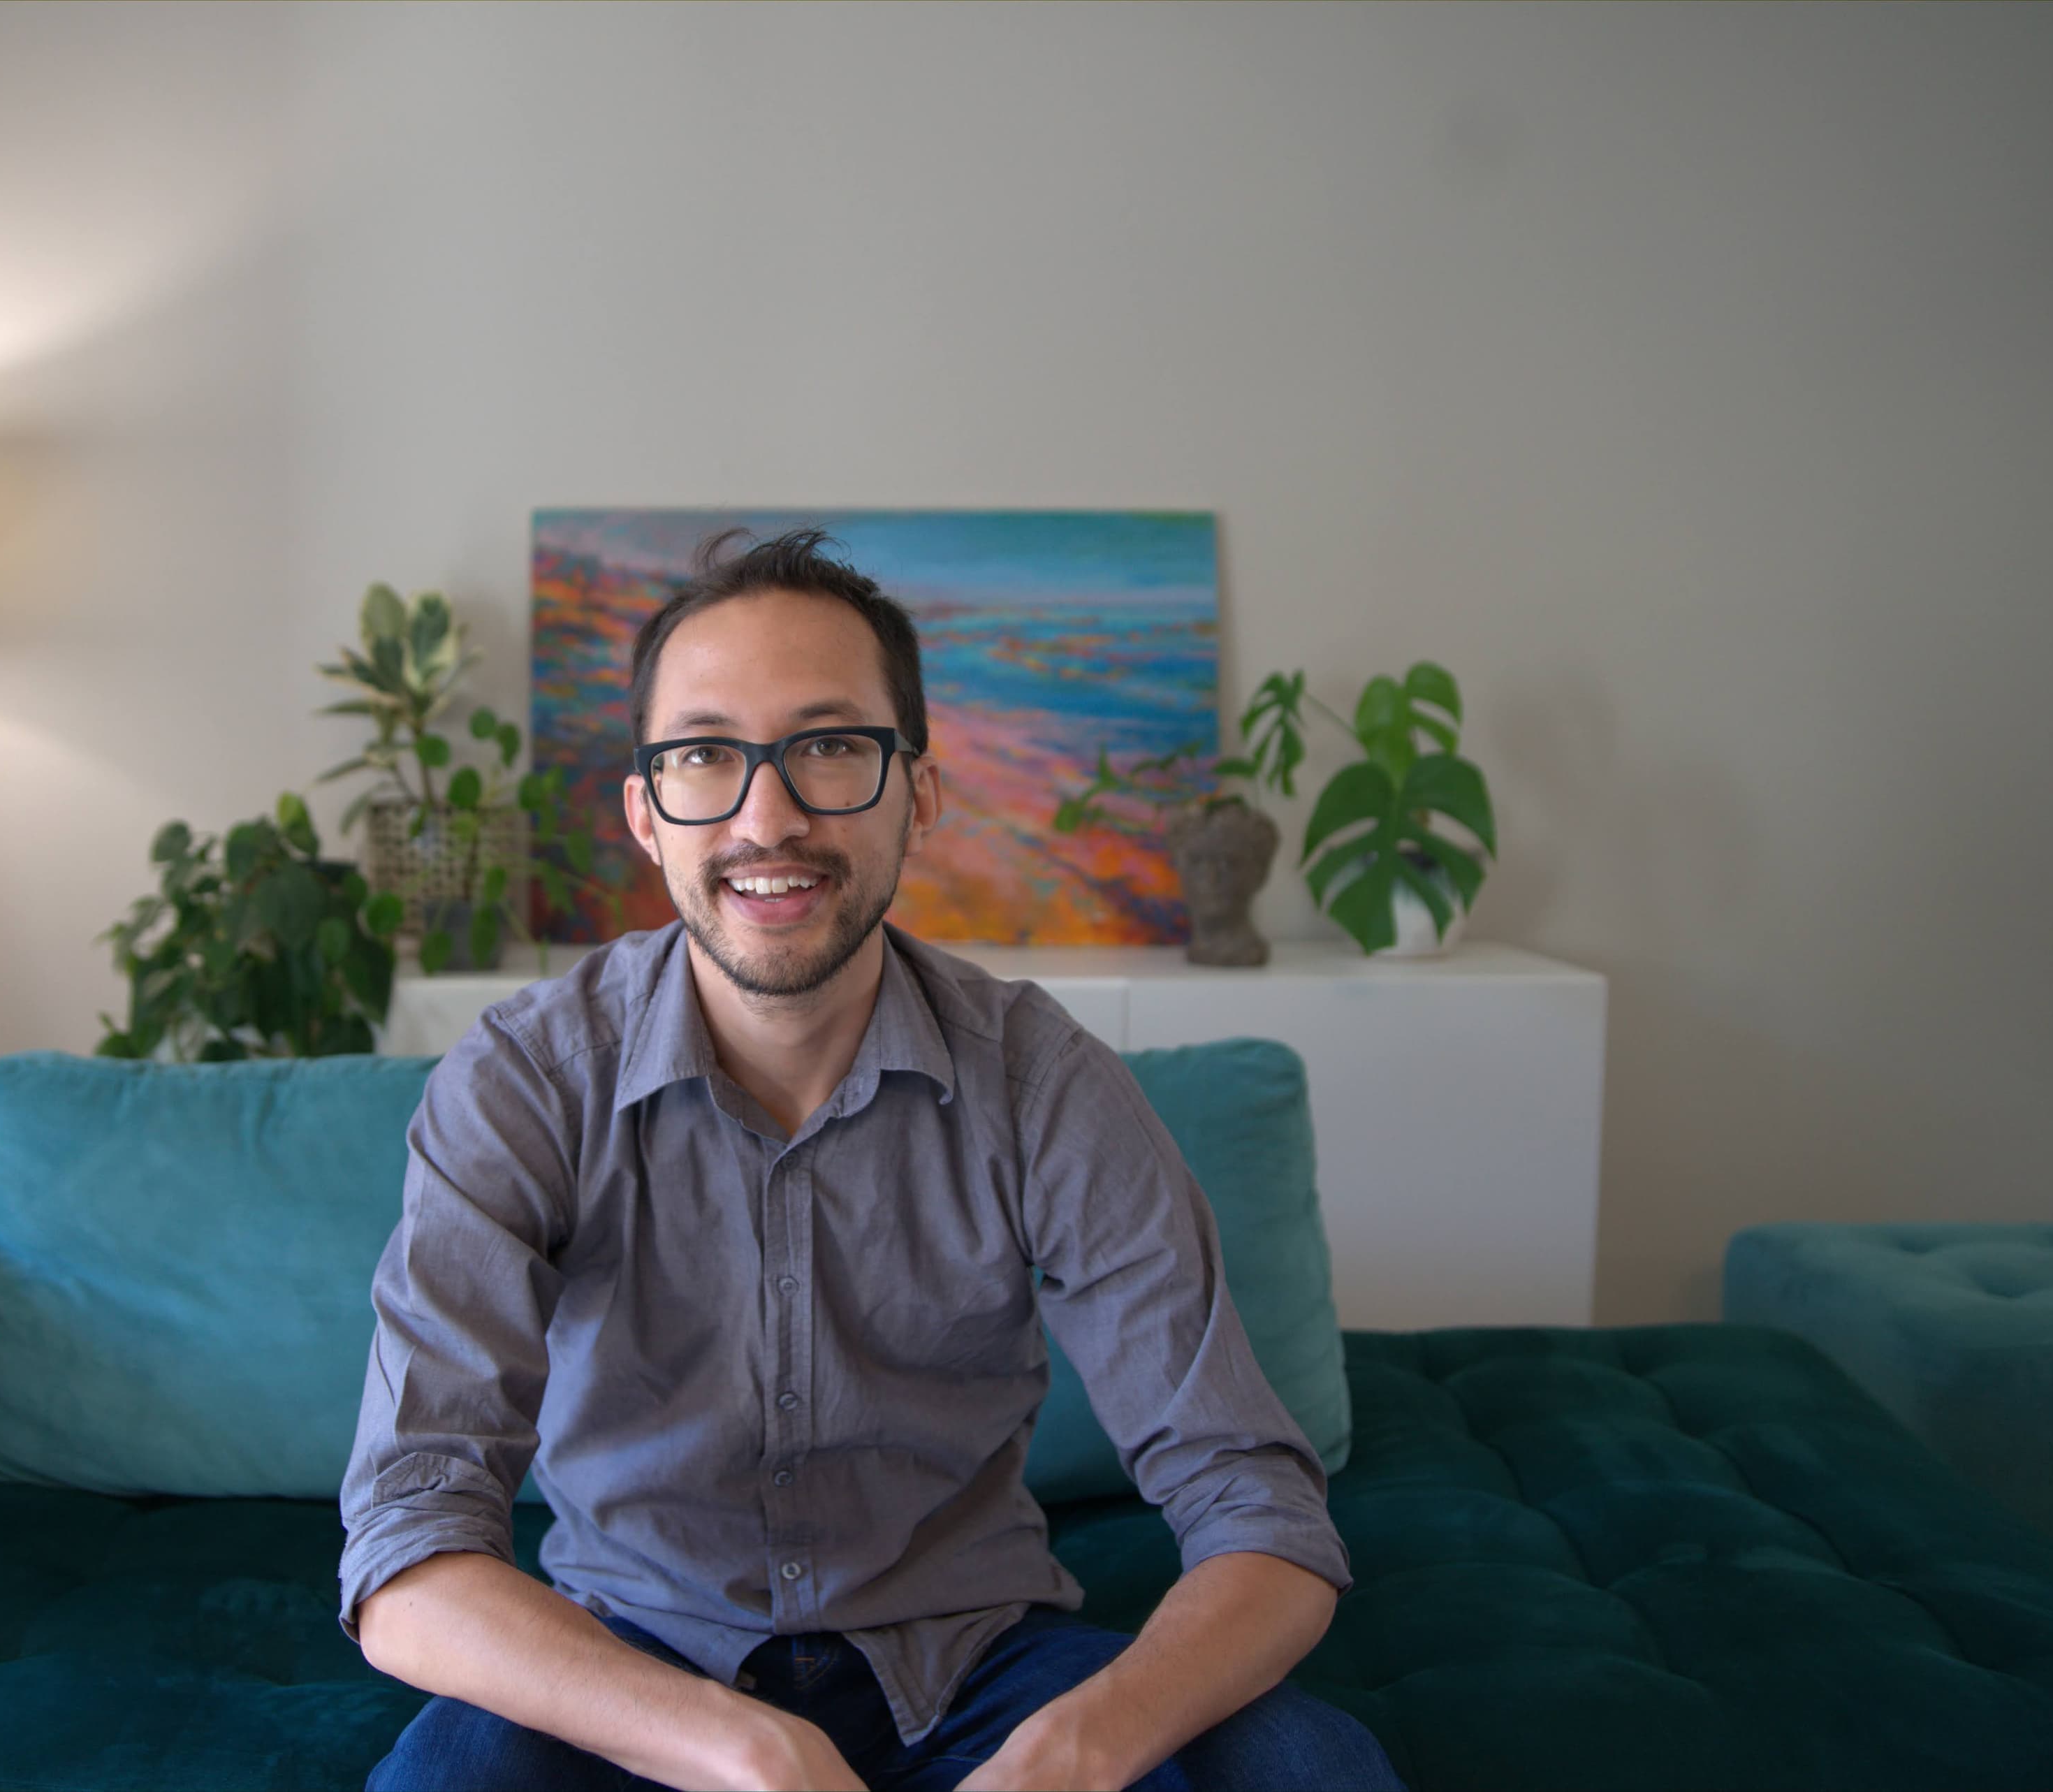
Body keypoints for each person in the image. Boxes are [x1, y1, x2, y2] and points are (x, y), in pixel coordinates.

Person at [338, 529, 1407, 1792]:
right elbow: (407, 1553)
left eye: (832, 745)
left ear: (921, 793)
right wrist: (739, 1746)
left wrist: (1080, 1749)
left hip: (980, 1662)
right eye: (704, 755)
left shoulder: (1042, 1081)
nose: (767, 817)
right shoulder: (526, 1078)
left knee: (1309, 1762)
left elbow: (1261, 1510)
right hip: (639, 1665)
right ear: (645, 814)